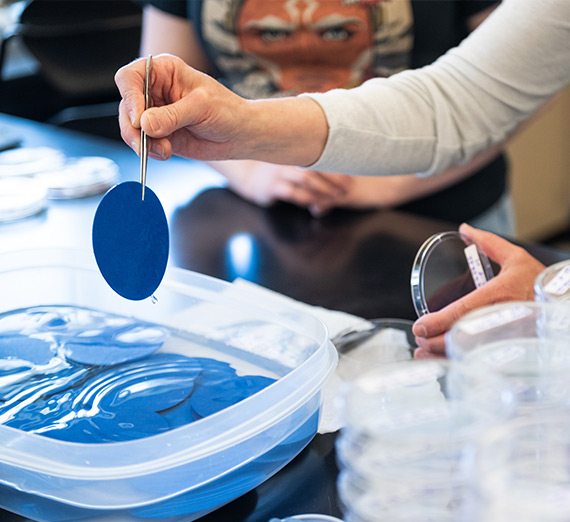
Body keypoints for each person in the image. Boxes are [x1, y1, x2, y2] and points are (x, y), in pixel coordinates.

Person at [115, 0, 570, 355]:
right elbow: (463, 97)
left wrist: (556, 302)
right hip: (272, 235)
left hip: (441, 222)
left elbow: (483, 102)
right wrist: (246, 135)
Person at [137, 0, 513, 234]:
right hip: (261, 222)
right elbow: (170, 87)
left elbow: (507, 87)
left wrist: (392, 183)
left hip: (440, 214)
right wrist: (251, 170)